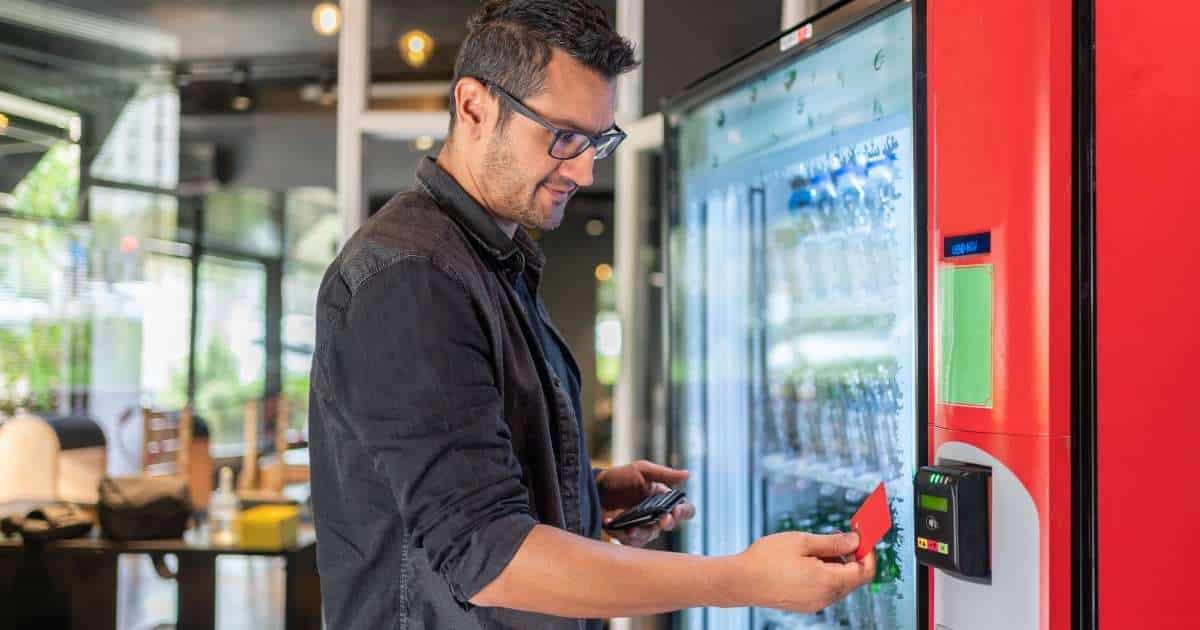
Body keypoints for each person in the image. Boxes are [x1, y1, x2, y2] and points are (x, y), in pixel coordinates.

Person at [308, 1, 876, 628]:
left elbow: (451, 488)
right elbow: (487, 557)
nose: (583, 169)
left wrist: (580, 496)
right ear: (473, 107)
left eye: (598, 141)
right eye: (564, 136)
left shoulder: (489, 259)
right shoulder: (411, 279)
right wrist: (739, 578)